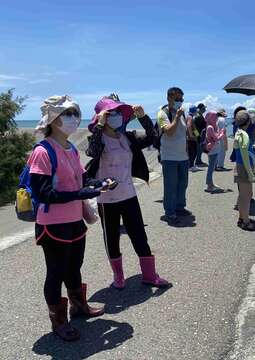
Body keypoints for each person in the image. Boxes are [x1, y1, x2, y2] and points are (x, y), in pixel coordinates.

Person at [29, 95, 107, 341]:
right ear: (53, 119)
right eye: (67, 114)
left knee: (74, 267)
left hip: (74, 221)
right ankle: (59, 321)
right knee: (55, 272)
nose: (74, 119)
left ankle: (78, 307)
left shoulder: (71, 149)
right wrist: (80, 193)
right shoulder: (43, 151)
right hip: (52, 224)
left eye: (75, 113)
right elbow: (43, 193)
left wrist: (100, 184)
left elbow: (82, 180)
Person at [86, 95, 171, 289]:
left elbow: (153, 138)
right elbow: (92, 151)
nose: (115, 116)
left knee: (139, 234)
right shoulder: (98, 139)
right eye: (110, 113)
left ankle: (150, 275)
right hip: (107, 199)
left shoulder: (127, 137)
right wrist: (99, 126)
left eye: (117, 112)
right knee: (112, 238)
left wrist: (143, 118)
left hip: (129, 195)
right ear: (102, 117)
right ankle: (118, 276)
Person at [157, 87, 191, 225]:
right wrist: (176, 117)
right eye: (177, 99)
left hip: (183, 156)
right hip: (169, 157)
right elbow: (169, 132)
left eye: (182, 99)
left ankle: (180, 207)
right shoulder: (162, 114)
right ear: (169, 98)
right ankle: (169, 212)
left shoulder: (182, 114)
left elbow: (183, 134)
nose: (180, 102)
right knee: (170, 186)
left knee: (183, 184)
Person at [233, 110, 255, 231]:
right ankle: (245, 221)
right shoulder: (244, 135)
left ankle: (241, 217)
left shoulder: (238, 132)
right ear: (248, 121)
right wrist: (250, 171)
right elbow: (244, 153)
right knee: (247, 196)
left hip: (240, 166)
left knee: (242, 195)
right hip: (244, 167)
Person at [205, 111, 226, 193]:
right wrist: (222, 133)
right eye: (215, 117)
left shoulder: (213, 126)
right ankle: (209, 185)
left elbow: (216, 136)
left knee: (212, 167)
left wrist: (220, 133)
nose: (216, 118)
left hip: (214, 150)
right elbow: (216, 138)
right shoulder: (210, 127)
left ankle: (211, 183)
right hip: (212, 151)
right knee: (211, 168)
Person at [186, 105, 200, 172]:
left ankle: (192, 165)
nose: (197, 111)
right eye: (196, 110)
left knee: (193, 152)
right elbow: (189, 126)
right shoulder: (190, 117)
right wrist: (191, 135)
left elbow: (194, 128)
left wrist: (198, 135)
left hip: (192, 139)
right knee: (193, 152)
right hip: (191, 139)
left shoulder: (190, 117)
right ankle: (191, 166)